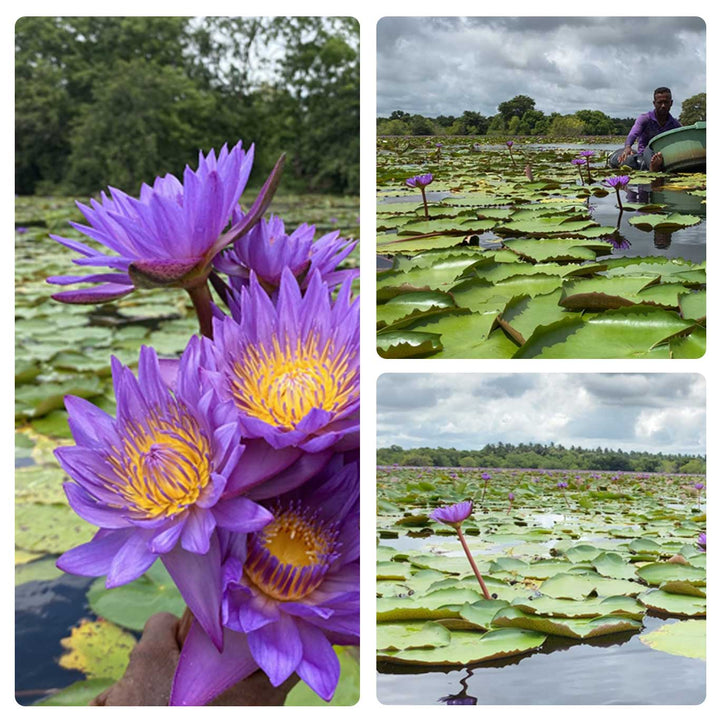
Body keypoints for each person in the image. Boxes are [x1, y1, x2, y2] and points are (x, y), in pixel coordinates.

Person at [609, 87, 682, 171]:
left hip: (664, 155)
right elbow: (633, 134)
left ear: (671, 103)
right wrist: (628, 147)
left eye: (666, 102)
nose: (663, 106)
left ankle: (656, 165)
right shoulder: (645, 119)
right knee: (649, 147)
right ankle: (652, 166)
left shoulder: (675, 124)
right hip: (644, 154)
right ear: (654, 103)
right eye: (660, 103)